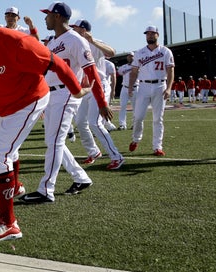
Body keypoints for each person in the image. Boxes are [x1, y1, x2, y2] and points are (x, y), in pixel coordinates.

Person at [0, 1, 92, 242]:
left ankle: (8, 223)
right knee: (8, 151)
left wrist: (77, 91)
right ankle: (14, 188)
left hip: (30, 99)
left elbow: (56, 63)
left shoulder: (18, 44)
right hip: (5, 104)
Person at [20, 2, 113, 205]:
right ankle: (81, 178)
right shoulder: (54, 42)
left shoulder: (76, 40)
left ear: (58, 17)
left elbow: (91, 73)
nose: (46, 18)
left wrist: (102, 102)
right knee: (53, 141)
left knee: (55, 142)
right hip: (52, 96)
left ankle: (46, 190)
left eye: (48, 15)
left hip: (67, 95)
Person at [69, 19, 123, 170]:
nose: (73, 30)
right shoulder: (74, 43)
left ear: (84, 30)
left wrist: (93, 41)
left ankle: (116, 157)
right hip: (85, 88)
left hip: (99, 86)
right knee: (80, 122)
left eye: (76, 28)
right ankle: (94, 152)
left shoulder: (95, 42)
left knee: (95, 122)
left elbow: (112, 52)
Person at [127, 25, 175, 157]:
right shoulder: (139, 52)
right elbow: (134, 72)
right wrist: (131, 86)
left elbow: (171, 70)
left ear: (157, 35)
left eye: (152, 33)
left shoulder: (165, 51)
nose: (150, 36)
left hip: (160, 86)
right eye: (147, 34)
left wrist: (169, 87)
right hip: (143, 87)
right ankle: (136, 139)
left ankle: (157, 146)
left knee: (158, 118)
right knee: (138, 117)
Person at [117, 52, 138, 130]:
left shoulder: (138, 66)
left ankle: (135, 124)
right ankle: (122, 124)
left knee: (135, 107)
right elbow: (119, 72)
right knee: (122, 106)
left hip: (135, 88)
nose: (130, 57)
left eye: (132, 56)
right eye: (129, 56)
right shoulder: (123, 67)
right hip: (125, 88)